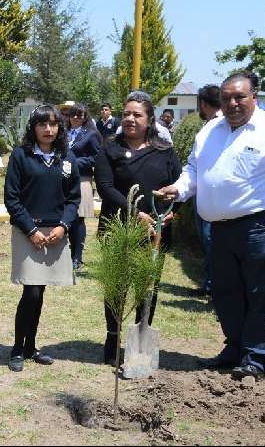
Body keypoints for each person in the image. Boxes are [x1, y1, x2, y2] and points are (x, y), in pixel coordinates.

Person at [157, 72, 265, 381]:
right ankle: (235, 347)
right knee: (226, 291)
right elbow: (194, 170)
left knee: (260, 293)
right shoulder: (211, 130)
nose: (232, 103)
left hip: (261, 227)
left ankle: (255, 357)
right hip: (219, 229)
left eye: (239, 96)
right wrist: (180, 189)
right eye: (227, 97)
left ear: (254, 96)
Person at [95, 90, 182, 365]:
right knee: (116, 285)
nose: (130, 119)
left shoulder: (164, 151)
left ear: (150, 119)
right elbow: (106, 187)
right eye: (127, 113)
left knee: (146, 286)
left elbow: (178, 187)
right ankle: (113, 337)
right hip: (118, 225)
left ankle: (140, 340)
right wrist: (135, 213)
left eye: (137, 114)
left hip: (154, 231)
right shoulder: (109, 148)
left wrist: (172, 212)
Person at [4, 104, 81, 372]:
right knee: (31, 291)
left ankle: (30, 346)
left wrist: (63, 226)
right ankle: (17, 348)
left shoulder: (67, 158)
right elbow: (12, 199)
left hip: (56, 234)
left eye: (53, 124)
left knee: (40, 292)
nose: (48, 129)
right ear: (33, 128)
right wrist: (32, 230)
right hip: (29, 233)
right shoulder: (20, 156)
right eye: (42, 124)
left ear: (60, 128)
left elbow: (73, 199)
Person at [193, 84, 222, 298]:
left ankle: (215, 286)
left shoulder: (218, 125)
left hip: (215, 200)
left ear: (203, 104)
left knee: (212, 241)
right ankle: (211, 283)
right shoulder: (212, 125)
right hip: (206, 195)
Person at [66, 103, 101, 271]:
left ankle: (77, 257)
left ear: (85, 117)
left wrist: (76, 163)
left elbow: (97, 157)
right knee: (65, 217)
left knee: (78, 219)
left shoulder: (91, 134)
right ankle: (65, 255)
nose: (76, 118)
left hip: (82, 179)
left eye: (80, 115)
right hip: (63, 180)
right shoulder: (64, 133)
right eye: (73, 115)